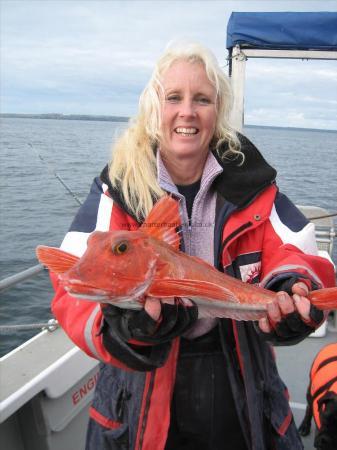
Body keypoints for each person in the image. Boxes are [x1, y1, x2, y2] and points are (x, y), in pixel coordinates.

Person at [51, 42, 335, 450]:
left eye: (201, 99)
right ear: (155, 109)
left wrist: (293, 287)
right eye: (173, 98)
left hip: (238, 368)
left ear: (216, 112)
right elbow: (69, 282)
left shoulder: (252, 187)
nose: (187, 111)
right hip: (141, 391)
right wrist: (122, 329)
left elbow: (297, 248)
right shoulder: (118, 189)